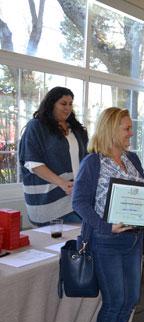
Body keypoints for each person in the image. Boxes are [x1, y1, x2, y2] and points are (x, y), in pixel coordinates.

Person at [72, 107, 144, 322]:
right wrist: (106, 226)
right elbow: (79, 203)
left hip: (133, 240)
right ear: (111, 129)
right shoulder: (93, 162)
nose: (131, 133)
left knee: (130, 298)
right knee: (114, 301)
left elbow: (141, 189)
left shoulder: (131, 158)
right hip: (105, 241)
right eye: (126, 128)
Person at [19, 86, 88, 226]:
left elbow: (86, 160)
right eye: (63, 104)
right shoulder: (36, 126)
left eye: (70, 104)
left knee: (82, 238)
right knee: (62, 242)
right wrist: (63, 183)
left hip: (75, 197)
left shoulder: (75, 129)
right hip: (48, 201)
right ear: (51, 104)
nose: (67, 108)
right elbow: (33, 164)